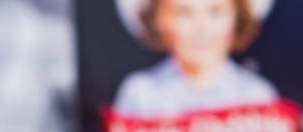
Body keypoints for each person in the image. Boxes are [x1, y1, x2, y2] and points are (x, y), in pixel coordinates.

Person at [113, 0, 278, 117]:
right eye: (184, 12)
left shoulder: (256, 94)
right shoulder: (141, 93)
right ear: (159, 21)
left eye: (216, 11)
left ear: (237, 18)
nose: (201, 28)